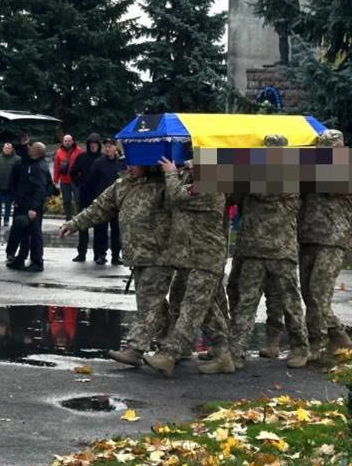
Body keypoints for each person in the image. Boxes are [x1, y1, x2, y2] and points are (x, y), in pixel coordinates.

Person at [61, 163, 172, 366]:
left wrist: (171, 174)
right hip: (137, 255)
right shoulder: (123, 184)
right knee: (154, 303)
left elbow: (186, 200)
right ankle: (173, 345)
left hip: (159, 254)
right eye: (128, 160)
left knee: (150, 303)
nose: (130, 166)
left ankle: (135, 349)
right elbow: (100, 207)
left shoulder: (164, 183)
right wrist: (74, 224)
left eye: (135, 163)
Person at [143, 151, 232, 377]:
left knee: (192, 306)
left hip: (206, 257)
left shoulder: (210, 186)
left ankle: (169, 355)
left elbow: (176, 196)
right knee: (204, 307)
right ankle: (223, 354)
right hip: (192, 257)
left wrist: (171, 174)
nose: (191, 167)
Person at [228, 134, 310, 370]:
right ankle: (236, 351)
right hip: (253, 249)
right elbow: (233, 198)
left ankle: (300, 348)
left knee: (290, 302)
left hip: (280, 250)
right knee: (246, 302)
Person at [298, 129, 352, 362]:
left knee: (318, 294)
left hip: (332, 241)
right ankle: (333, 338)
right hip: (308, 238)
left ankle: (324, 340)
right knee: (308, 293)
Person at [6, 141, 52, 272]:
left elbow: (40, 189)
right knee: (24, 233)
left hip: (31, 206)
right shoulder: (35, 164)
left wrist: (34, 208)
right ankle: (21, 259)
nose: (29, 148)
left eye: (32, 147)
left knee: (34, 234)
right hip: (26, 203)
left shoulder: (38, 168)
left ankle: (37, 262)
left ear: (36, 152)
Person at [84, 137, 126, 265]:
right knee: (100, 230)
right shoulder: (99, 163)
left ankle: (116, 255)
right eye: (106, 146)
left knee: (116, 230)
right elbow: (91, 181)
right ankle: (100, 254)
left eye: (110, 146)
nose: (107, 149)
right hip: (102, 201)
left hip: (117, 201)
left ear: (115, 147)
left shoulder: (121, 162)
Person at [70, 132, 103, 263]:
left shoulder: (103, 158)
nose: (93, 146)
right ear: (88, 144)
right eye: (91, 143)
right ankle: (81, 253)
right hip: (85, 195)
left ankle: (99, 254)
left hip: (100, 196)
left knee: (99, 227)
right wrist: (79, 183)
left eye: (95, 143)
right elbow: (73, 172)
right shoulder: (82, 157)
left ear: (98, 145)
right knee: (83, 225)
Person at [52, 134, 81, 221]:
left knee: (78, 200)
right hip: (64, 181)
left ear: (72, 141)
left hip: (76, 180)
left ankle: (79, 220)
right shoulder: (59, 152)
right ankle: (68, 220)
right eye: (66, 141)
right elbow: (56, 166)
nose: (68, 143)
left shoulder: (79, 151)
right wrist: (55, 180)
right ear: (63, 142)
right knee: (66, 201)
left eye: (69, 141)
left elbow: (83, 165)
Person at [0, 141, 19, 228]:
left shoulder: (17, 159)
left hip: (10, 187)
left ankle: (6, 220)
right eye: (6, 148)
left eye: (9, 148)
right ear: (3, 149)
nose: (7, 150)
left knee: (8, 205)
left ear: (12, 149)